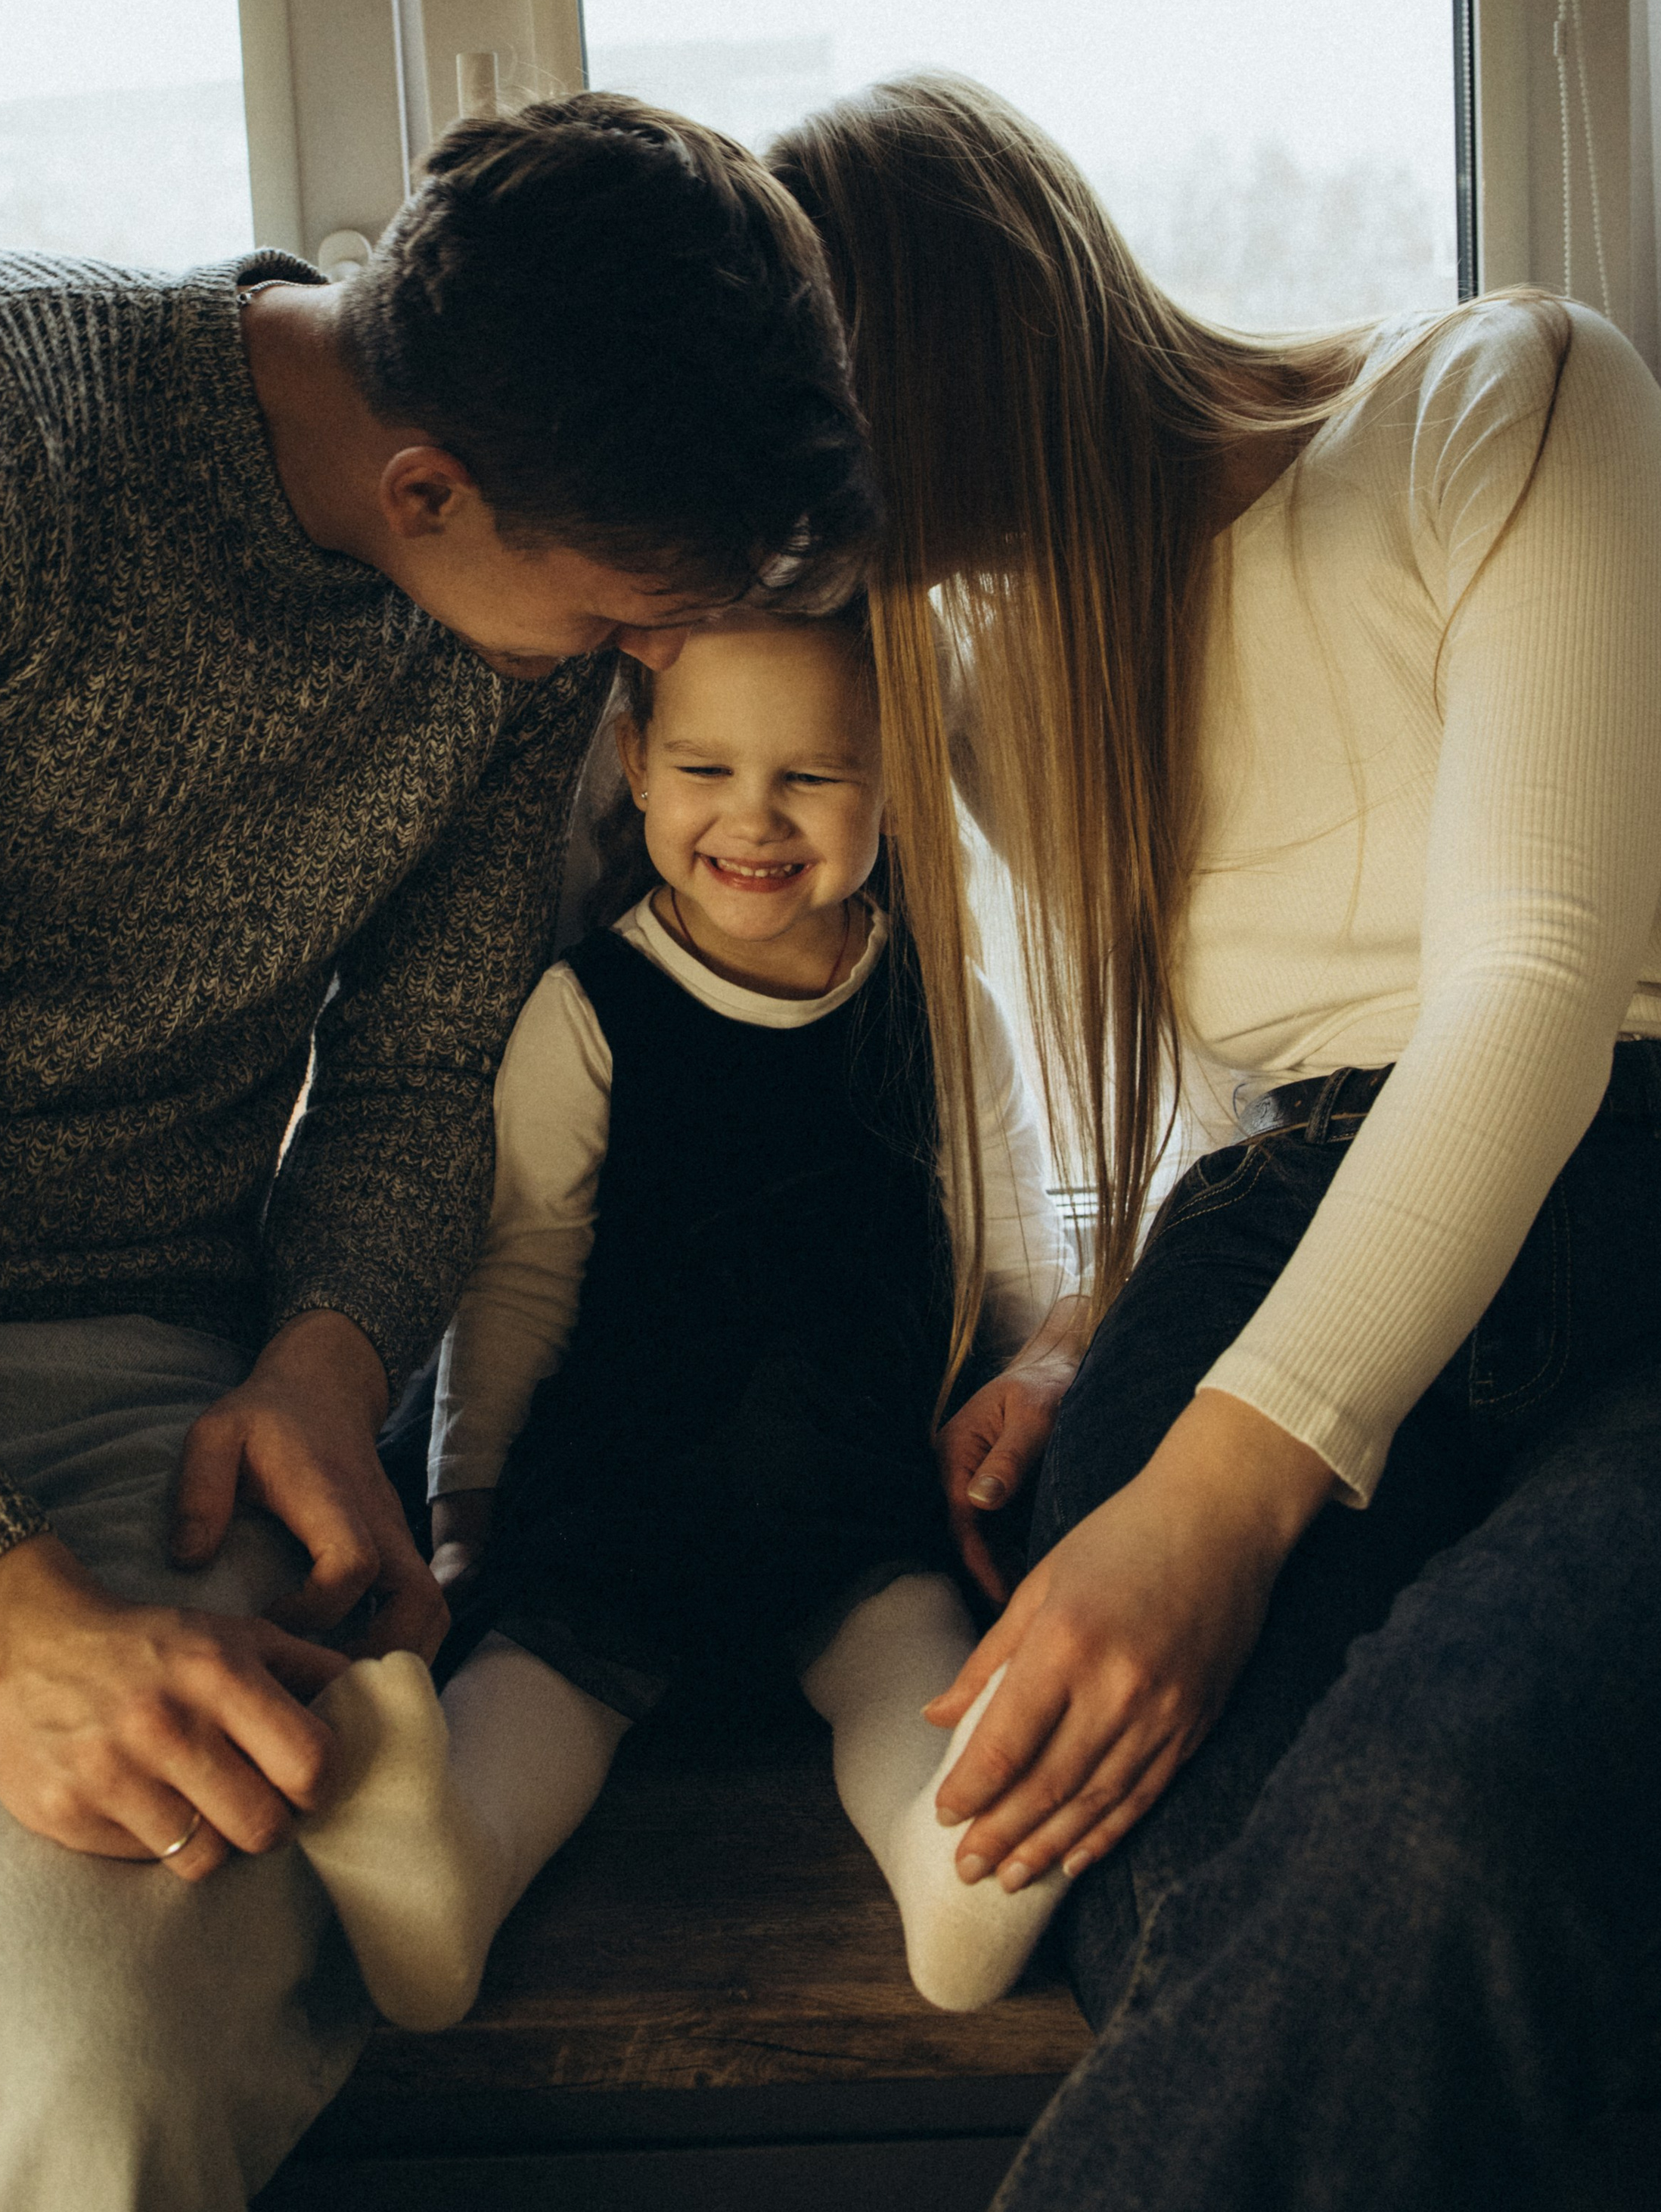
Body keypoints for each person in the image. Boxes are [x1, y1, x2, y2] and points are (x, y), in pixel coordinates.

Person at [0, 93, 874, 2212]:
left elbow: (420, 1068)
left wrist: (330, 1358)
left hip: (130, 1408)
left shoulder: (507, 621)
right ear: (427, 486)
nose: (648, 667)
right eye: (622, 620)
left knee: (88, 2081)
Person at [766, 70, 1661, 2210]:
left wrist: (1204, 1503)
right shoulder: (998, 679)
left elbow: (1529, 985)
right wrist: (1083, 1335)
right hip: (1277, 1231)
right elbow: (1221, 1084)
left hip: (1635, 1178)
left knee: (1451, 1815)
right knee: (1164, 1852)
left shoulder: (1503, 399)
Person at [293, 607, 1083, 2026]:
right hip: (628, 1480)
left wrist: (1044, 1371)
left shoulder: (935, 1002)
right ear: (636, 766)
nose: (755, 819)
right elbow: (520, 1276)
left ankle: (953, 1869)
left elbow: (1009, 1242)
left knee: (909, 1664)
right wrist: (466, 1505)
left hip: (854, 1484)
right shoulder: (590, 1006)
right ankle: (449, 1874)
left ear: (894, 780)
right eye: (708, 770)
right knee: (541, 1685)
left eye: (813, 777)